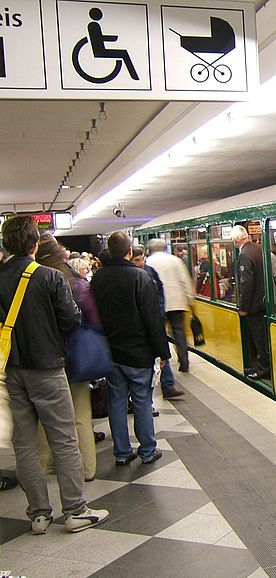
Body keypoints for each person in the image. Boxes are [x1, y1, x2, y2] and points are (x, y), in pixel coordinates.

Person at [0, 216, 109, 534]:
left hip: (11, 370)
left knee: (25, 445)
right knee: (64, 440)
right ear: (34, 243)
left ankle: (38, 514)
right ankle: (75, 509)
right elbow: (71, 320)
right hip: (47, 368)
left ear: (6, 244)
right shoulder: (50, 277)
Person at [90, 232, 169, 466]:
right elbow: (152, 319)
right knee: (142, 400)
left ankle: (122, 452)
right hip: (138, 353)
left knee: (116, 401)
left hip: (111, 352)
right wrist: (162, 352)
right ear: (130, 252)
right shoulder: (139, 277)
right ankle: (147, 451)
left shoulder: (98, 278)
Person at [34, 238, 98, 482]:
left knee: (45, 416)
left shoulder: (32, 281)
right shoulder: (75, 282)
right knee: (81, 415)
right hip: (77, 358)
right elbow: (89, 318)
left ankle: (45, 466)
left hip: (46, 358)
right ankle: (87, 469)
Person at [131, 245, 183, 399]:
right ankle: (160, 388)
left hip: (155, 319)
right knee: (156, 353)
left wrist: (160, 312)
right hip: (144, 323)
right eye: (135, 260)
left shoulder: (149, 272)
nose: (139, 263)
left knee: (162, 351)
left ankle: (168, 385)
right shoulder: (136, 275)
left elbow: (160, 292)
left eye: (140, 260)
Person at [145, 238, 194, 374]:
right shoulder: (175, 260)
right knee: (179, 332)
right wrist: (190, 299)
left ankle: (163, 365)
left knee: (160, 335)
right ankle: (184, 362)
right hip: (177, 302)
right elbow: (185, 280)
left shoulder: (148, 262)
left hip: (158, 305)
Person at [230, 226, 270, 379]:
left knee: (259, 340)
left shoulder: (244, 255)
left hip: (254, 306)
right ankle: (262, 366)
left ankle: (263, 369)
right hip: (265, 302)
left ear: (235, 241)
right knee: (263, 337)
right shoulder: (260, 249)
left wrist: (243, 307)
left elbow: (246, 284)